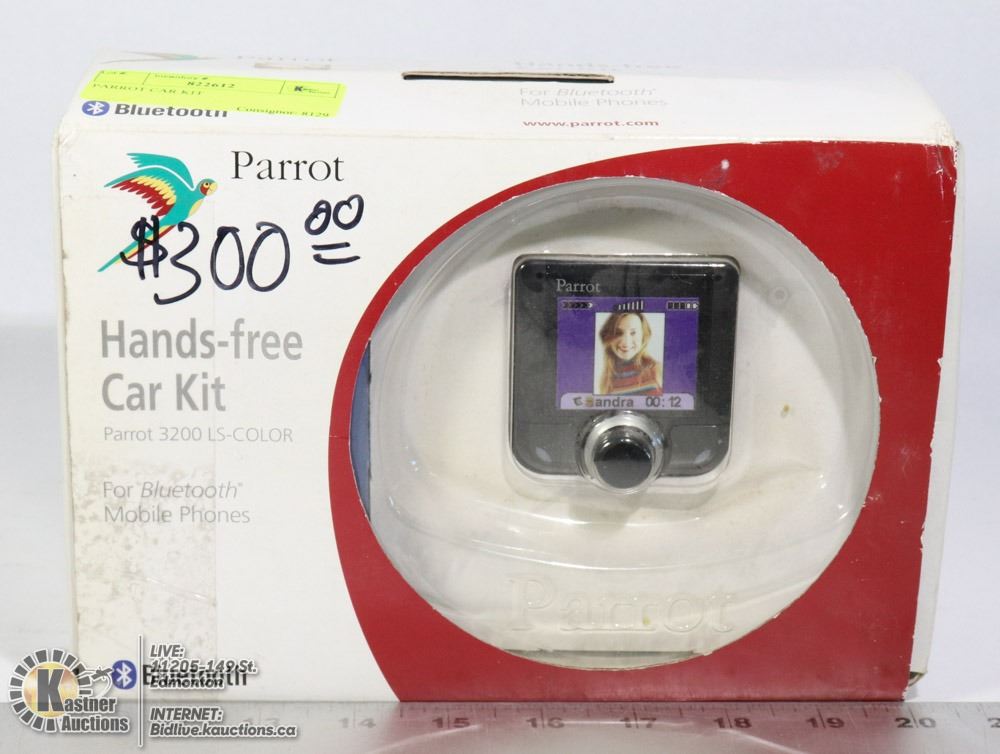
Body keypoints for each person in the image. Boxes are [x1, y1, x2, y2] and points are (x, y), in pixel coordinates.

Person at [597, 311, 663, 395]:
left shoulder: (657, 370)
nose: (626, 342)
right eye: (618, 333)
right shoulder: (606, 380)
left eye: (633, 333)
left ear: (643, 336)